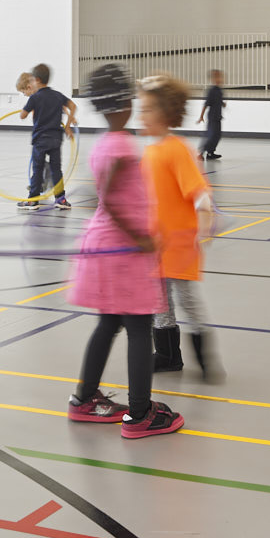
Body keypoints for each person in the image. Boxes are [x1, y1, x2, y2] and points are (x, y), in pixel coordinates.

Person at [65, 63, 183, 438]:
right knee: (137, 326)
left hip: (104, 246)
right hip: (123, 249)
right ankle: (140, 413)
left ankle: (84, 398)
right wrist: (143, 237)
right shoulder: (122, 145)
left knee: (109, 322)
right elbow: (112, 201)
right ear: (124, 103)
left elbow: (101, 196)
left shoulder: (105, 143)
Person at [142, 72, 222, 382]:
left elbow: (199, 191)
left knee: (188, 301)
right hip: (158, 244)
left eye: (148, 109)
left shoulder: (177, 149)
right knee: (160, 302)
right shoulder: (150, 151)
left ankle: (206, 360)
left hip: (179, 243)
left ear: (165, 114)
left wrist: (204, 220)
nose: (142, 115)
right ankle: (167, 356)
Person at [19, 62, 75, 211]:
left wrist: (27, 109)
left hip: (40, 139)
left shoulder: (35, 98)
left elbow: (22, 116)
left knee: (37, 169)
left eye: (31, 80)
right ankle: (61, 199)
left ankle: (33, 200)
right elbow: (72, 106)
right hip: (56, 139)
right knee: (57, 169)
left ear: (36, 80)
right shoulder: (57, 96)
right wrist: (68, 126)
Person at [197, 70, 226, 162]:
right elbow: (206, 104)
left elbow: (219, 101)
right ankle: (200, 153)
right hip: (212, 117)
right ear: (213, 79)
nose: (219, 79)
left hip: (218, 117)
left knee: (217, 135)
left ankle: (210, 153)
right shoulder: (211, 91)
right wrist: (201, 116)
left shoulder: (219, 91)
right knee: (210, 135)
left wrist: (223, 104)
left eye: (220, 77)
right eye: (217, 77)